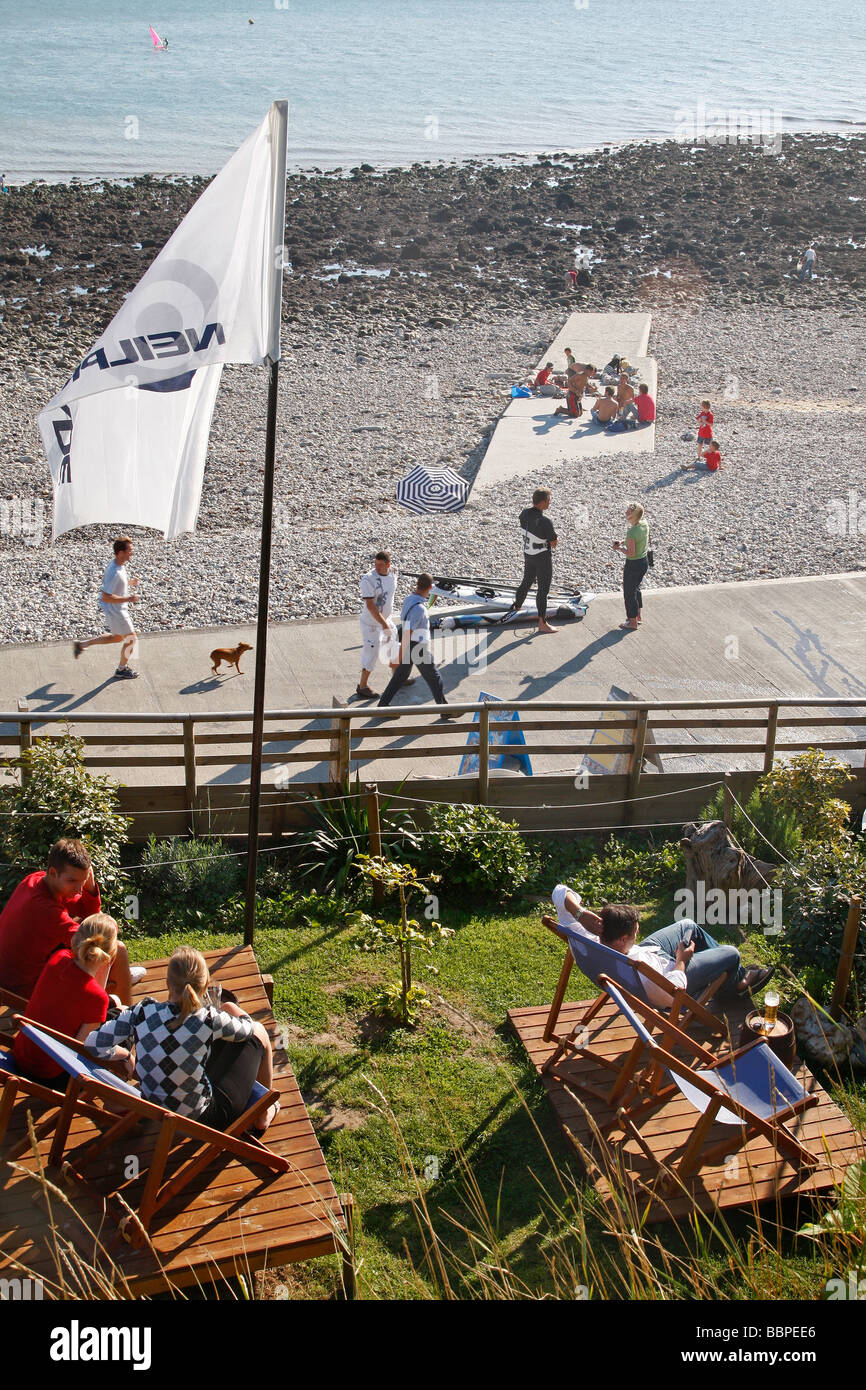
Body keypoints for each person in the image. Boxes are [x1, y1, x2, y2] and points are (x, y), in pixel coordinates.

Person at [84, 945, 280, 1132]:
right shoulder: (209, 1019)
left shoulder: (143, 1012)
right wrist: (233, 1009)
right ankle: (262, 1113)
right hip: (203, 1118)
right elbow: (246, 1031)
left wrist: (126, 1055)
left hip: (153, 1106)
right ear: (205, 984)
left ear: (167, 983)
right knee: (259, 1031)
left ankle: (261, 1105)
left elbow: (93, 1043)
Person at [543, 887, 773, 1008]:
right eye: (635, 932)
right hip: (668, 977)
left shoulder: (585, 935)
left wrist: (580, 914)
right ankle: (736, 983)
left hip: (643, 955)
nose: (638, 932)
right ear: (623, 939)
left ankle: (732, 980)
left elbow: (559, 891)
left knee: (687, 925)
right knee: (731, 953)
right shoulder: (649, 980)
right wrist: (682, 960)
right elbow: (672, 992)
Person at [0, 838, 141, 1001]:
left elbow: (88, 913)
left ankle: (118, 978)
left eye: (83, 880)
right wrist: (110, 926)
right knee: (117, 949)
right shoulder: (44, 909)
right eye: (73, 881)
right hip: (21, 990)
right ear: (53, 873)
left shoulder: (38, 880)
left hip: (10, 979)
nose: (79, 889)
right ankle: (125, 1017)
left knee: (95, 934)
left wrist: (90, 886)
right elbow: (96, 940)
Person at [12, 914, 121, 1083]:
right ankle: (115, 1097)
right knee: (121, 1019)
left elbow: (87, 990)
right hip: (51, 1074)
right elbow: (81, 1050)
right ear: (111, 953)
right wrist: (125, 1055)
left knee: (114, 1003)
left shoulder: (58, 958)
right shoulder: (97, 998)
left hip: (21, 1057)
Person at [376, 574, 455, 717]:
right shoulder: (420, 609)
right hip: (417, 647)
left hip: (411, 645)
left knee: (400, 677)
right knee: (434, 677)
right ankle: (445, 711)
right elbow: (408, 632)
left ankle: (382, 707)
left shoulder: (409, 599)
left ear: (417, 584)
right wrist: (399, 655)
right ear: (430, 588)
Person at [73, 536, 141, 679]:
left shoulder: (117, 564)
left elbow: (113, 584)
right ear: (120, 552)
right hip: (116, 610)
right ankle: (121, 670)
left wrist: (129, 583)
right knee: (132, 639)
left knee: (117, 638)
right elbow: (106, 596)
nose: (132, 553)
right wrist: (129, 598)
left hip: (115, 608)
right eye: (130, 550)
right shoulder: (114, 571)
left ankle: (82, 645)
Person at [501, 488, 559, 635]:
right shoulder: (545, 521)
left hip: (528, 554)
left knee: (526, 581)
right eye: (548, 500)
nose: (550, 502)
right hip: (542, 557)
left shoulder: (524, 513)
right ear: (543, 502)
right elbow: (553, 542)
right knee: (543, 590)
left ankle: (517, 607)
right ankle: (542, 623)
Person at [357, 550, 403, 700]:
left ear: (388, 565)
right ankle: (362, 687)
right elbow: (370, 606)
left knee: (395, 647)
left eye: (380, 565)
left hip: (386, 620)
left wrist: (386, 623)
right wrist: (384, 625)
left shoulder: (393, 573)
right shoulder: (368, 580)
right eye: (375, 564)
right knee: (371, 652)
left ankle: (398, 678)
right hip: (371, 623)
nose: (376, 568)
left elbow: (395, 571)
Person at [613, 503, 648, 632]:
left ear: (633, 516)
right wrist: (624, 541)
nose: (626, 512)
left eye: (628, 511)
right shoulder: (644, 524)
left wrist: (619, 547)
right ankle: (637, 616)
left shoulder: (632, 531)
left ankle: (632, 622)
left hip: (633, 564)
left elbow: (631, 553)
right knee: (636, 588)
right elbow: (636, 541)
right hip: (644, 562)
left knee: (629, 592)